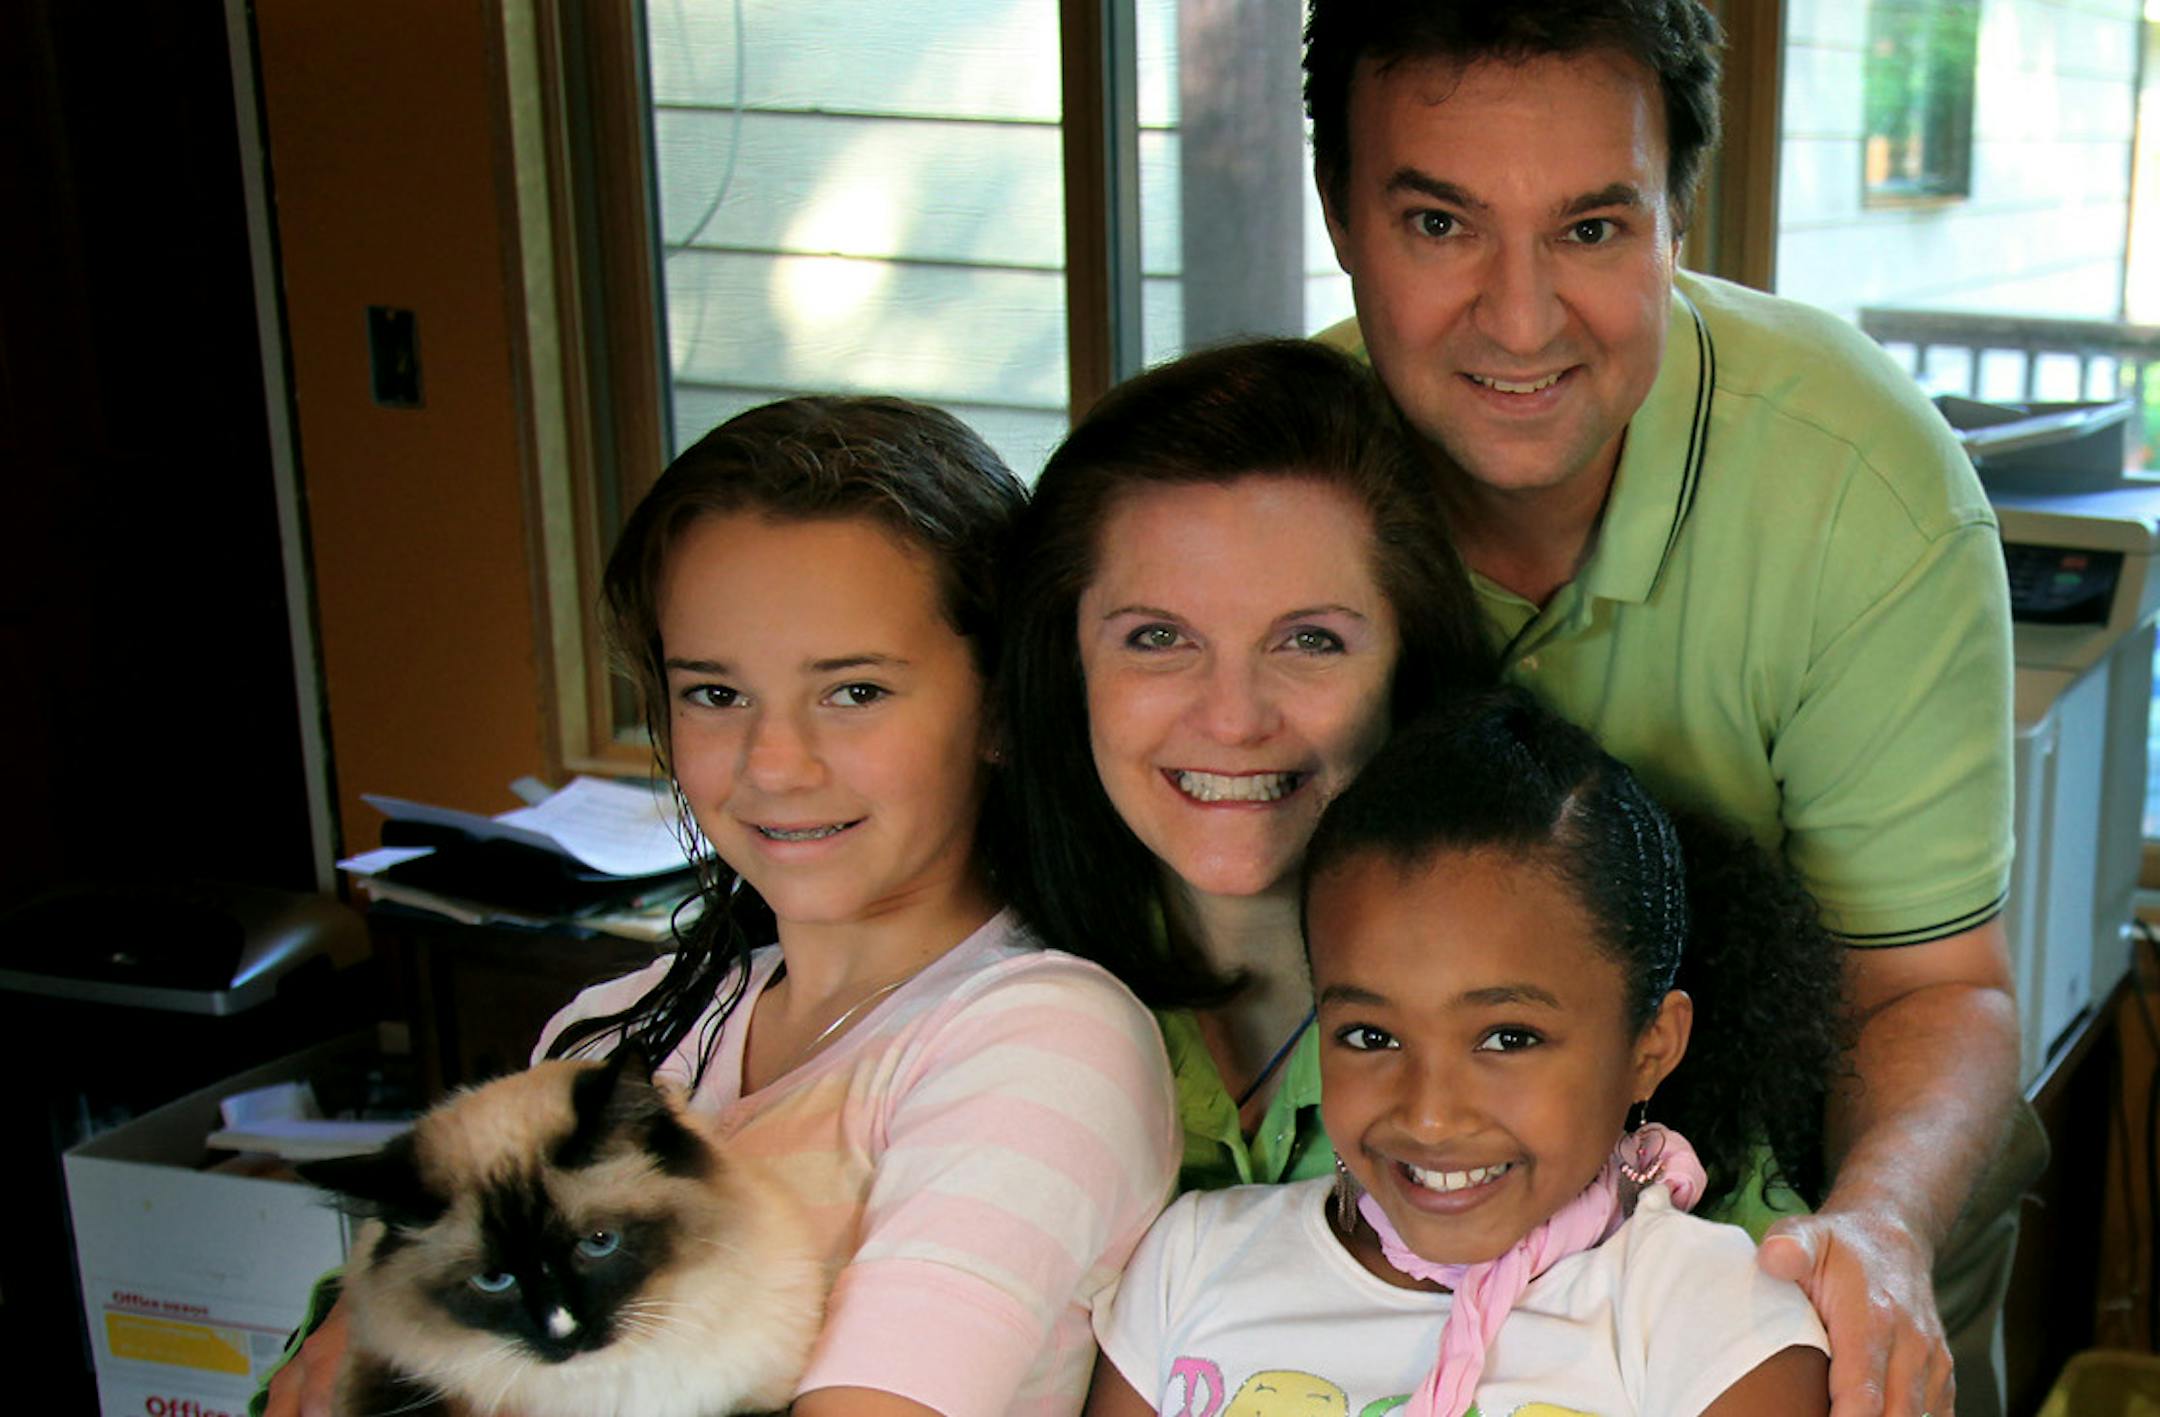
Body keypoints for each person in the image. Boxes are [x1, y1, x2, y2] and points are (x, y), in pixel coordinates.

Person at [1300, 4, 2033, 1414]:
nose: (1521, 321)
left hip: (1809, 1142)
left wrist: (1875, 1230)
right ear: (1340, 219)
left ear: (1679, 215)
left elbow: (1935, 987)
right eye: (1442, 226)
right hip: (1395, 1162)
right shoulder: (1268, 480)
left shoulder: (1865, 489)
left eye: (1592, 229)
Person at [262, 397, 1179, 1417]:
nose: (773, 765)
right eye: (714, 693)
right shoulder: (614, 1032)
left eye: (855, 691)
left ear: (1004, 707)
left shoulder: (1042, 1043)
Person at [1089, 686, 1845, 1417]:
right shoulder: (1191, 1264)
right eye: (1370, 1036)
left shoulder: (1718, 1321)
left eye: (1508, 1038)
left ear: (1651, 1047)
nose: (1430, 1113)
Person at [1000, 339, 1493, 1193]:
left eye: (1310, 640)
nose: (1232, 720)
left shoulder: (1566, 986)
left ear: (1410, 664)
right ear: (1067, 660)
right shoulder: (980, 999)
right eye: (1158, 638)